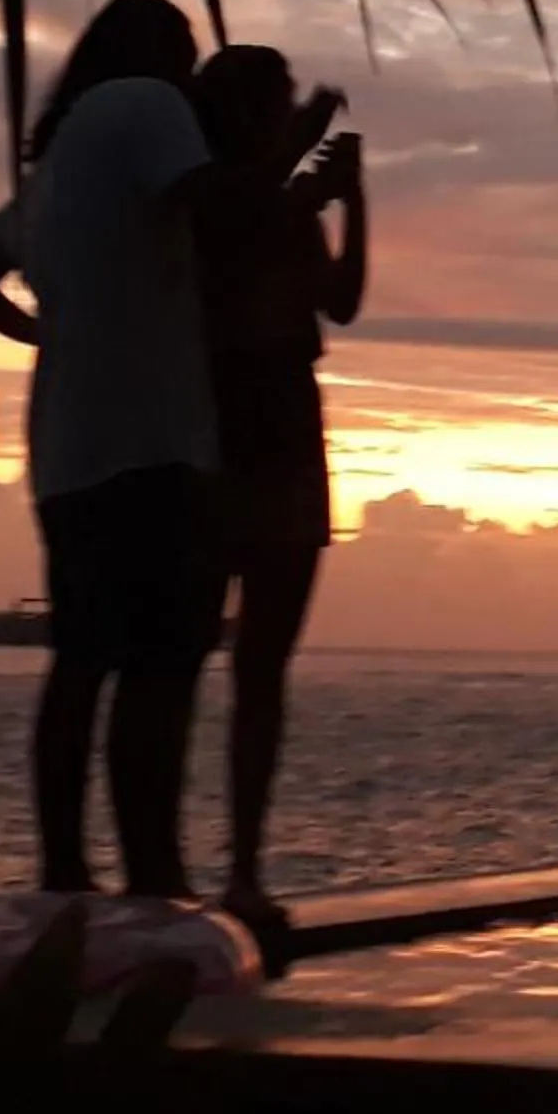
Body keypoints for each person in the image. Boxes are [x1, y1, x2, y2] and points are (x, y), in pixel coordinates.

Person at [0, 0, 231, 899]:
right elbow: (214, 208)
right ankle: (154, 872)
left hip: (67, 439)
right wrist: (291, 157)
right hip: (154, 435)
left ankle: (65, 867)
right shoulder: (150, 107)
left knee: (83, 659)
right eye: (187, 48)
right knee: (161, 664)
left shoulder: (61, 162)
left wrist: (56, 334)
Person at [189, 46, 366, 934]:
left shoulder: (285, 203)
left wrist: (353, 200)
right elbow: (234, 229)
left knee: (263, 671)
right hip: (221, 435)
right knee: (181, 660)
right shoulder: (214, 192)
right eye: (279, 104)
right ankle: (175, 866)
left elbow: (342, 302)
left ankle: (244, 870)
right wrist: (301, 160)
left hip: (289, 438)